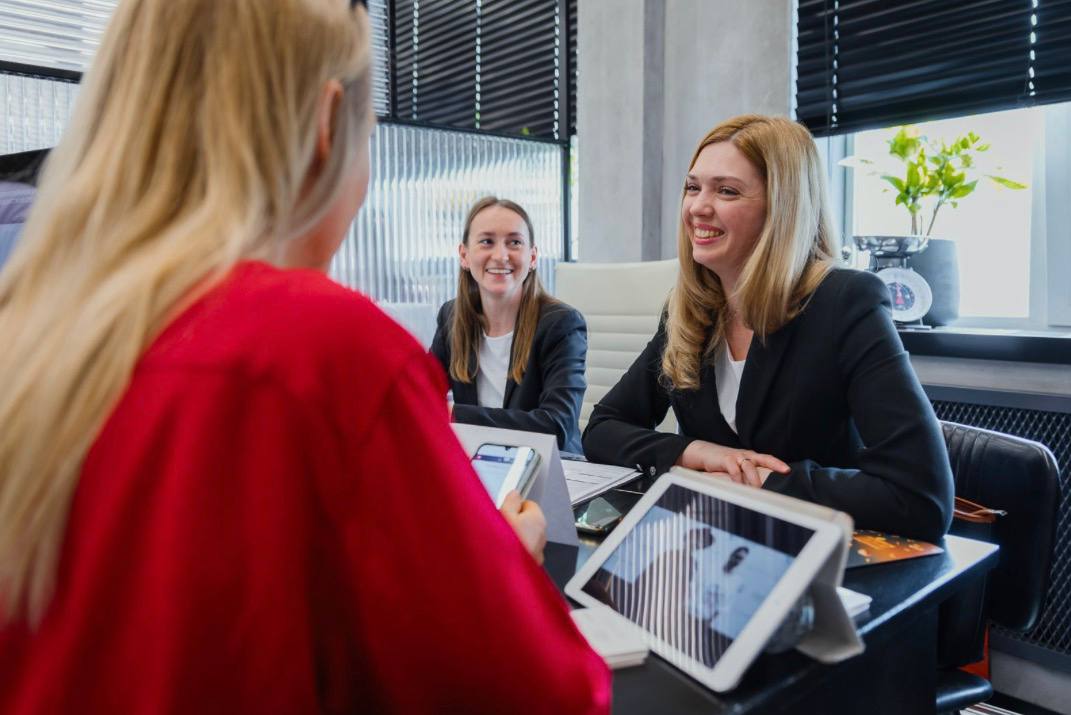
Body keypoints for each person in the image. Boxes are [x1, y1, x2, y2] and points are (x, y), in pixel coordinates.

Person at [0, 2, 609, 713]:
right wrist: (506, 562)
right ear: (325, 128)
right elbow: (540, 692)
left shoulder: (32, 330)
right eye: (370, 131)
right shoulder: (326, 351)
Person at [583, 114, 954, 543]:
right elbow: (603, 428)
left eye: (726, 191)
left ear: (783, 208)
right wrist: (693, 453)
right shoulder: (689, 310)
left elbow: (922, 497)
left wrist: (761, 482)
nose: (698, 206)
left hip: (817, 563)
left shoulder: (845, 302)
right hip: (714, 551)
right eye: (692, 187)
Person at [430, 196, 588, 453]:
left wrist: (455, 415)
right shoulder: (452, 317)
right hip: (480, 465)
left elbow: (556, 426)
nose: (501, 255)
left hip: (552, 469)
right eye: (486, 241)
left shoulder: (561, 324)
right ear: (464, 255)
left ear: (533, 256)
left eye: (514, 242)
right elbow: (421, 393)